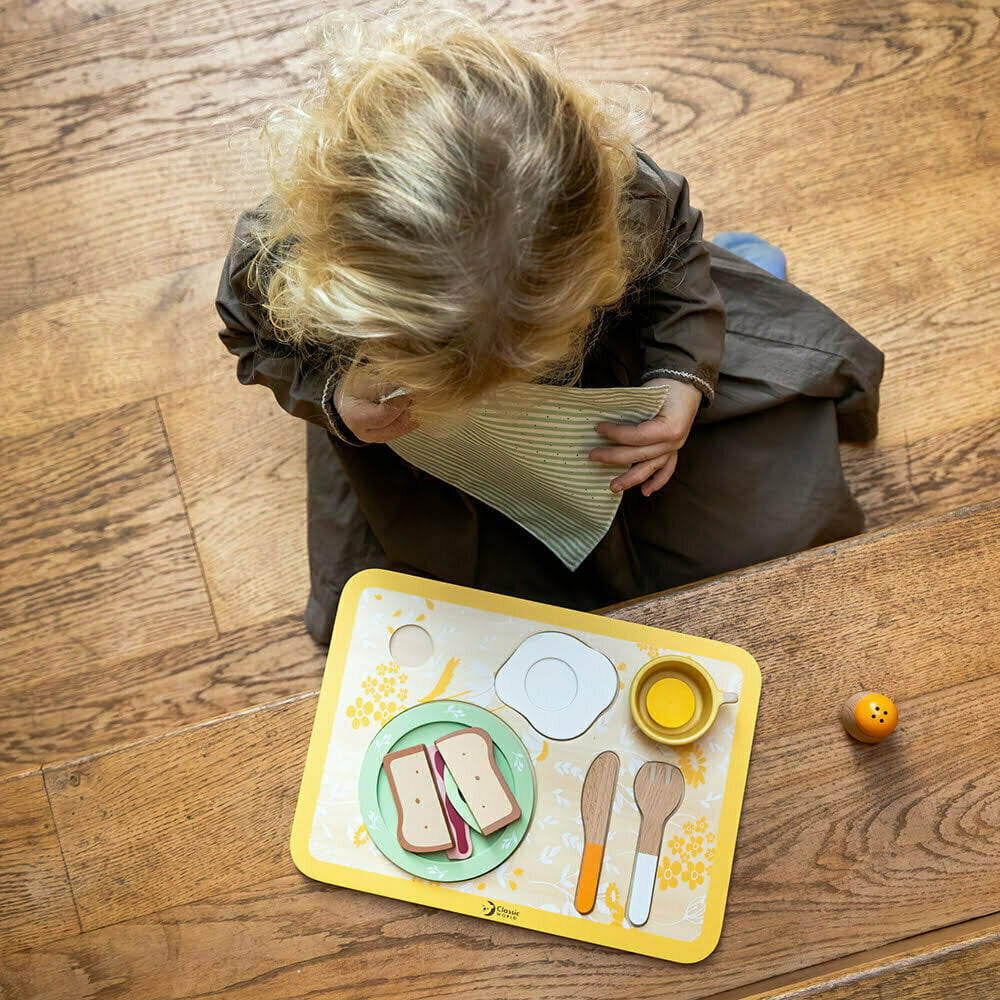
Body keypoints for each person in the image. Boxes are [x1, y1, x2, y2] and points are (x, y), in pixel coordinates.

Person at [216, 9, 883, 643]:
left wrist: (681, 380)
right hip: (411, 441)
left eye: (527, 348)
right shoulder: (281, 256)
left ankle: (742, 275)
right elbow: (252, 341)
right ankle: (752, 265)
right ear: (335, 291)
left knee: (781, 523)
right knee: (402, 617)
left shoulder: (622, 195)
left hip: (609, 375)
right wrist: (335, 403)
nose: (498, 380)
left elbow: (677, 252)